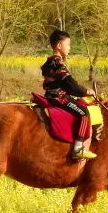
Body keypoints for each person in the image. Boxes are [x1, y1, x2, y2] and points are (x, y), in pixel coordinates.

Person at [41, 30, 97, 160]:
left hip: (50, 95)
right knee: (84, 114)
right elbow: (70, 84)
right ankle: (78, 148)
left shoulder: (51, 61)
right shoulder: (58, 63)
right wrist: (86, 91)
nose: (70, 47)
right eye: (68, 44)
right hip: (58, 97)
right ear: (59, 46)